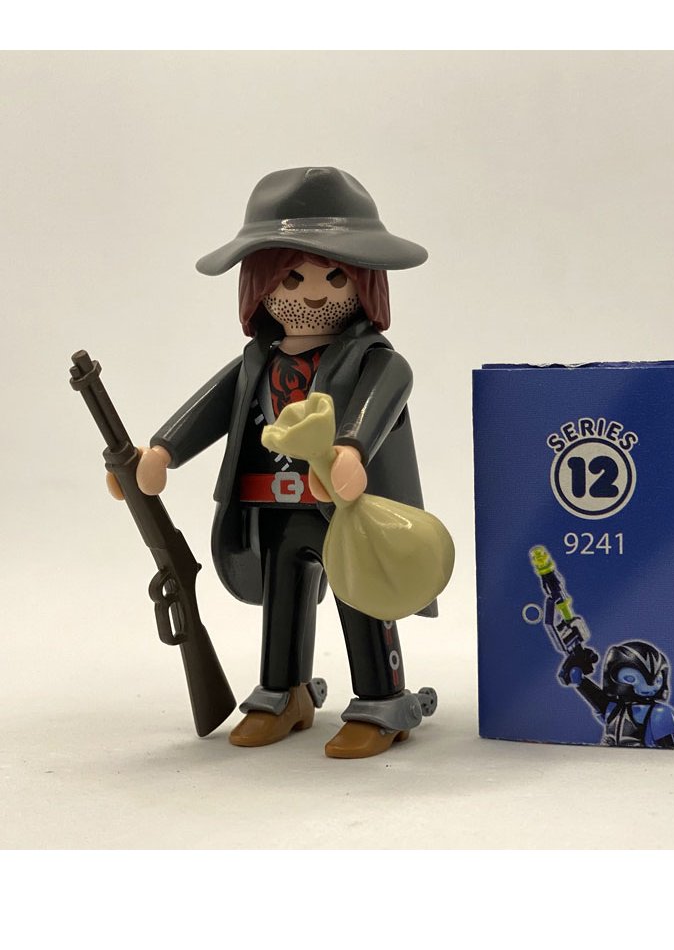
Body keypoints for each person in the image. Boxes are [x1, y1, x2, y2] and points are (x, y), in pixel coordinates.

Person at [112, 167, 438, 759]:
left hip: (345, 509)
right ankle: (284, 692)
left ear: (364, 283)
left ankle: (383, 698)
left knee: (361, 595)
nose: (313, 294)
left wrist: (351, 448)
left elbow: (379, 404)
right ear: (260, 286)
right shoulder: (256, 363)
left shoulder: (376, 360)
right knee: (282, 597)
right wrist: (160, 452)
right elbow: (211, 409)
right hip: (274, 507)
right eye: (291, 276)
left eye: (335, 276)